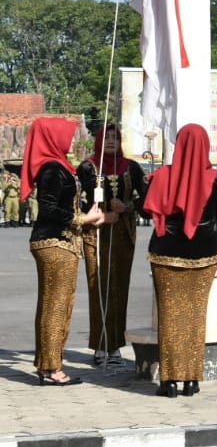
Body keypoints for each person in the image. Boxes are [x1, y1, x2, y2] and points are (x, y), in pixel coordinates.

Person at [24, 117, 117, 385]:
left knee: (50, 304)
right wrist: (83, 219)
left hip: (56, 242)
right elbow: (49, 207)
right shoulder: (53, 168)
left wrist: (89, 214)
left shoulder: (58, 166)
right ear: (55, 138)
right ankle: (52, 368)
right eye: (69, 135)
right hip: (56, 242)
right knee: (56, 306)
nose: (74, 140)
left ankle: (46, 365)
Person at [143, 124, 217, 398]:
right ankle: (191, 380)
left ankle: (169, 381)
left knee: (170, 317)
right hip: (205, 254)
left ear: (178, 145)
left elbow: (146, 211)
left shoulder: (163, 177)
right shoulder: (216, 181)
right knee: (195, 317)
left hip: (166, 253)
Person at [79, 123, 147, 367]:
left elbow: (145, 202)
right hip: (95, 235)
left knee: (120, 288)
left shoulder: (133, 168)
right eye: (106, 137)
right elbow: (79, 201)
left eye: (115, 138)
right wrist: (101, 212)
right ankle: (99, 345)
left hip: (123, 235)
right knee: (98, 286)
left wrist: (127, 207)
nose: (110, 141)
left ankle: (116, 345)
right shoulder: (88, 167)